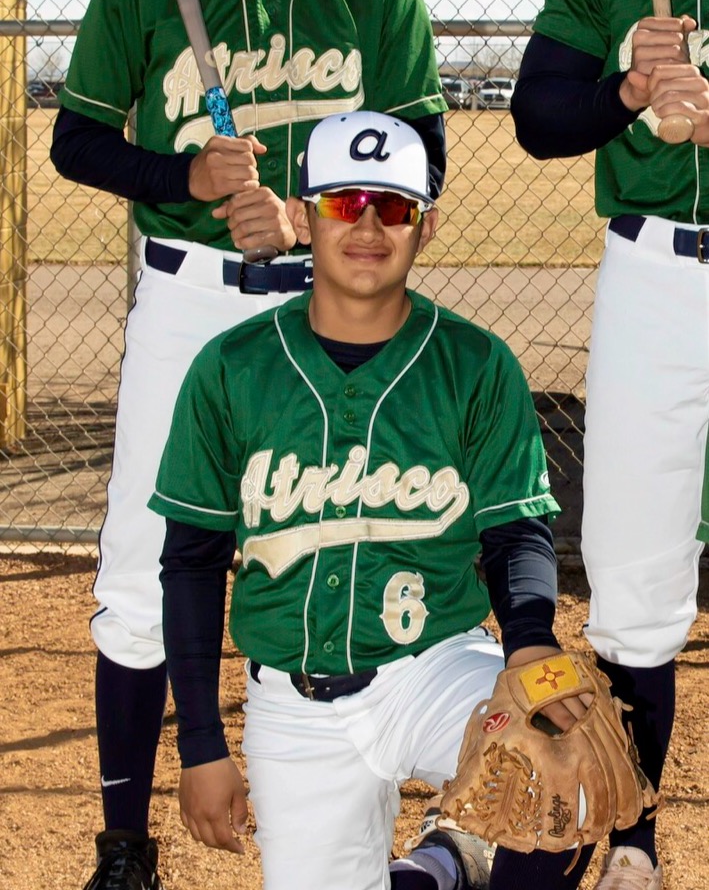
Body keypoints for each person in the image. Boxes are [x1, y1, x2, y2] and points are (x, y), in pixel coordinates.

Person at [49, 0, 447, 888]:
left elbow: (421, 149)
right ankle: (124, 850)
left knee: (356, 552)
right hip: (187, 297)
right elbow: (76, 140)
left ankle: (369, 833)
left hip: (328, 298)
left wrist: (309, 217)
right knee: (142, 573)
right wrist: (183, 175)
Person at [148, 110, 596, 890]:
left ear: (425, 226)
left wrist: (528, 642)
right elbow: (189, 562)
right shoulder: (231, 367)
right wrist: (200, 745)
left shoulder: (473, 363)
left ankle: (452, 859)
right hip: (293, 704)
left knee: (564, 777)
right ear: (303, 217)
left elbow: (515, 527)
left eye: (392, 207)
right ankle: (441, 866)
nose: (366, 226)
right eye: (343, 202)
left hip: (433, 666)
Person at [510, 0, 709, 889]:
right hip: (653, 273)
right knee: (634, 569)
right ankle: (634, 838)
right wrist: (628, 90)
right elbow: (537, 119)